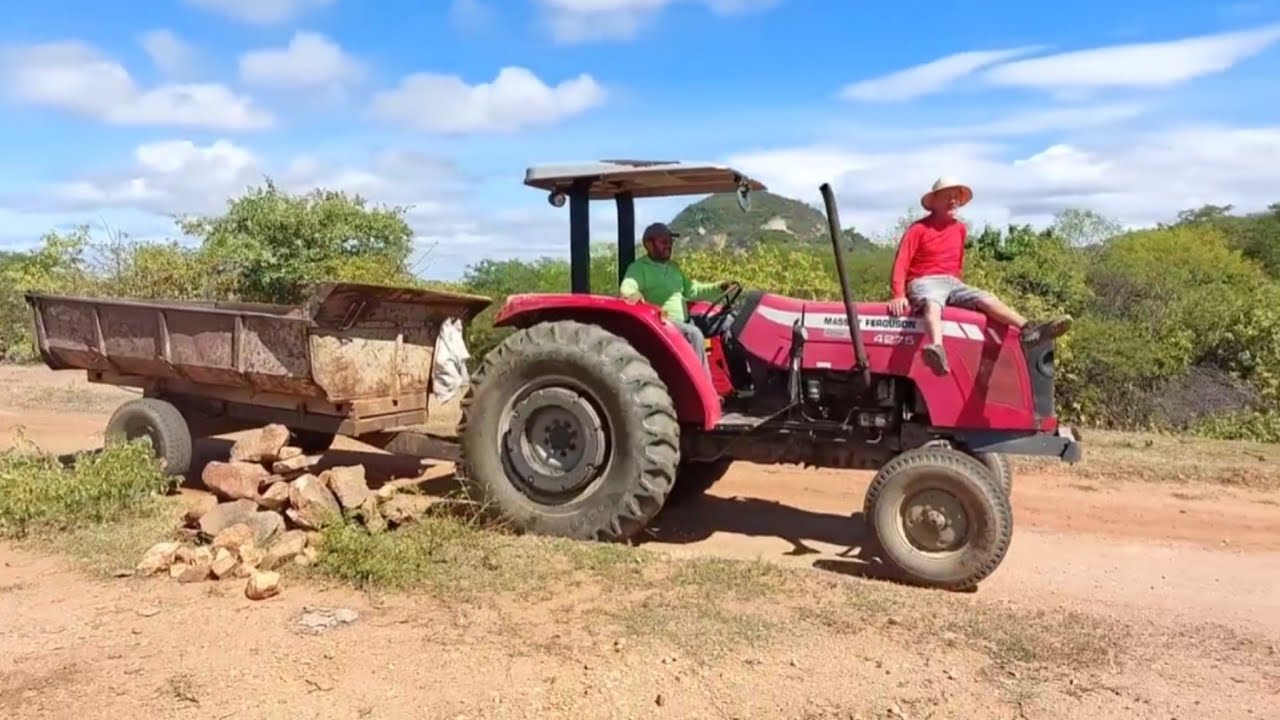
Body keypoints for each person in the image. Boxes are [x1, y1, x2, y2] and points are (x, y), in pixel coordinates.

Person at [888, 177, 1072, 375]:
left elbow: (956, 263)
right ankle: (936, 348)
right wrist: (899, 294)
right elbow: (901, 262)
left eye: (956, 197)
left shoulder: (960, 229)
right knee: (933, 302)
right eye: (947, 197)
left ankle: (1029, 329)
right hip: (925, 281)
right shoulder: (918, 229)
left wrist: (958, 293)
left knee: (986, 298)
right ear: (935, 201)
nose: (953, 201)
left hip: (953, 283)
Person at [620, 222, 732, 373]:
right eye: (664, 242)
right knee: (694, 335)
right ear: (649, 244)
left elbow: (692, 290)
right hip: (663, 325)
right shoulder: (639, 268)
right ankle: (704, 392)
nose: (669, 246)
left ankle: (743, 381)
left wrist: (719, 287)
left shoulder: (674, 267)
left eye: (670, 242)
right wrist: (633, 294)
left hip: (685, 321)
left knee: (728, 321)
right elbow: (628, 286)